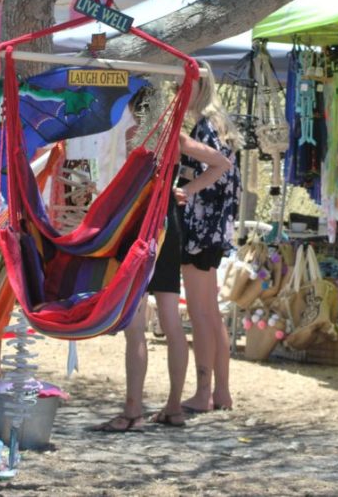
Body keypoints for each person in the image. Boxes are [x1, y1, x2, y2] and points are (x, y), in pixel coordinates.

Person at [91, 88, 233, 433]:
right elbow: (222, 163)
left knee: (137, 325)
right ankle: (172, 407)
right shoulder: (174, 138)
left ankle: (133, 408)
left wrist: (186, 189)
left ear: (135, 110)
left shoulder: (132, 138)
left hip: (140, 225)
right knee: (170, 322)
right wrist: (185, 189)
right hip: (168, 225)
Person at [179, 60, 241, 414]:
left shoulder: (205, 126)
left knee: (201, 313)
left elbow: (219, 169)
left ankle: (205, 393)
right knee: (211, 313)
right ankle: (221, 391)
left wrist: (187, 189)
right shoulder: (219, 123)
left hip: (202, 229)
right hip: (215, 230)